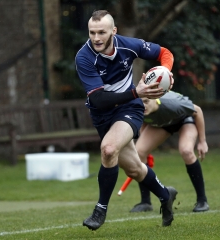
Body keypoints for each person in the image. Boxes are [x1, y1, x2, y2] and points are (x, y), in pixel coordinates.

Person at [75, 10, 178, 231]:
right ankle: (164, 194)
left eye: (102, 32)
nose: (96, 38)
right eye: (92, 33)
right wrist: (137, 92)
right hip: (102, 113)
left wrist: (165, 73)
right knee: (135, 169)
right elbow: (99, 99)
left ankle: (100, 209)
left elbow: (165, 52)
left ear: (114, 31)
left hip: (128, 109)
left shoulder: (128, 45)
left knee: (109, 149)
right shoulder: (84, 57)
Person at [129, 91, 209, 213]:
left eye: (146, 101)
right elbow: (144, 121)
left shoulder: (172, 104)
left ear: (155, 99)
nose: (143, 105)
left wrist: (202, 141)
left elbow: (197, 111)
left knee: (186, 151)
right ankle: (146, 202)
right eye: (140, 102)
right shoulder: (137, 108)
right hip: (162, 123)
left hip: (183, 119)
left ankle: (202, 200)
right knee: (139, 153)